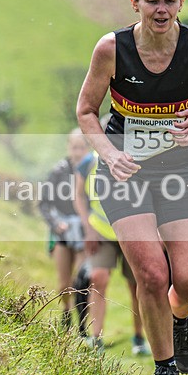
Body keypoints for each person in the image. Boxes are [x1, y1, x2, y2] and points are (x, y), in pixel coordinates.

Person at [76, 0, 188, 375]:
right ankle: (164, 367)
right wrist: (108, 154)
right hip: (123, 173)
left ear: (181, 3)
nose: (161, 8)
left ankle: (178, 317)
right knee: (150, 273)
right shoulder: (111, 48)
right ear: (136, 4)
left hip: (180, 171)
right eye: (152, 0)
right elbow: (87, 111)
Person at [74, 146, 150, 356]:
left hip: (132, 230)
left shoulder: (137, 158)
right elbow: (78, 195)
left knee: (138, 285)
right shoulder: (89, 161)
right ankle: (95, 338)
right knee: (98, 278)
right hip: (101, 230)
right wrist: (88, 229)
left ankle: (139, 337)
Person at [38, 129, 90, 330]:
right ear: (69, 147)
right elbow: (44, 203)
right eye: (74, 147)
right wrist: (55, 224)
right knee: (64, 283)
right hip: (62, 231)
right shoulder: (58, 171)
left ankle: (83, 326)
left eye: (81, 147)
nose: (77, 152)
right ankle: (66, 315)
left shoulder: (92, 169)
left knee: (82, 279)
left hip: (84, 231)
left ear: (88, 148)